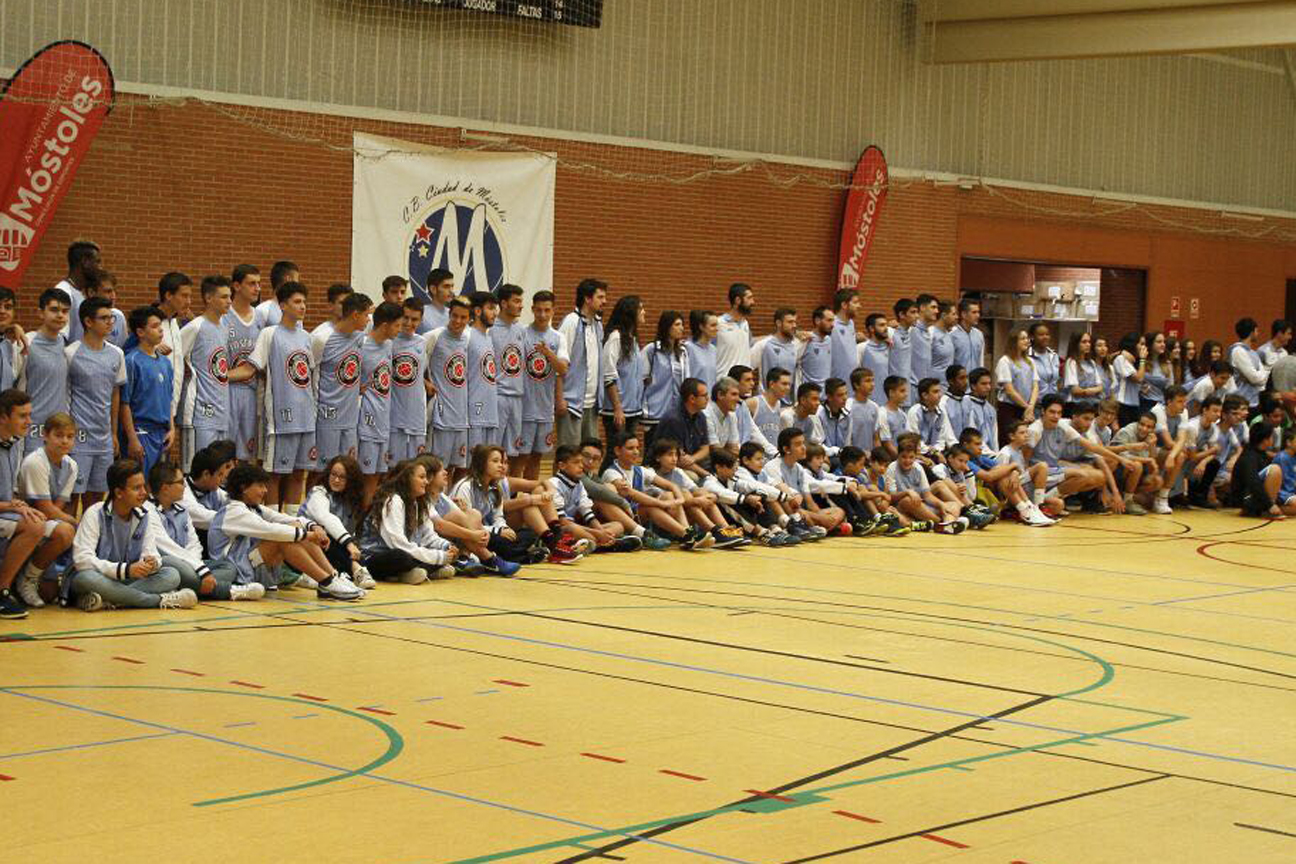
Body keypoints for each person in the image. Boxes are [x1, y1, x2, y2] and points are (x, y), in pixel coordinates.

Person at [208, 462, 364, 599]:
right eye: (260, 486)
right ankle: (326, 582)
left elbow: (285, 519)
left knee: (296, 527)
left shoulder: (254, 507)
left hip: (249, 568)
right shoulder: (233, 511)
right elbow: (270, 530)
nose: (265, 490)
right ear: (243, 488)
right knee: (282, 539)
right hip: (234, 573)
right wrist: (307, 535)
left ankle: (332, 576)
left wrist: (313, 527)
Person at [68, 458, 196, 612]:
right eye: (136, 488)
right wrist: (126, 570)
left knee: (171, 574)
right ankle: (158, 600)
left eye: (143, 486)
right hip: (101, 578)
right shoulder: (95, 513)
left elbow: (152, 554)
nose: (144, 493)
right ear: (118, 493)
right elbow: (82, 560)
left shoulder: (143, 516)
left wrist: (151, 563)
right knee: (85, 578)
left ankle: (112, 599)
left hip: (127, 581)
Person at [237, 281, 318, 509]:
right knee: (273, 474)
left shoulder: (306, 337)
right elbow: (250, 368)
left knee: (298, 473)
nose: (303, 306)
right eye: (297, 302)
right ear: (283, 305)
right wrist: (221, 376)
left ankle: (292, 521)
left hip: (306, 417)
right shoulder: (269, 334)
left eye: (304, 302)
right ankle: (274, 521)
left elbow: (308, 375)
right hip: (281, 420)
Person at [0, 392, 75, 615]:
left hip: (8, 514)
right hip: (6, 514)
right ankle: (2, 591)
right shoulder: (34, 460)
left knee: (63, 533)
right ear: (3, 417)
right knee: (35, 525)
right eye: (22, 416)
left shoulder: (13, 445)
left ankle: (26, 580)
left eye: (30, 415)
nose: (29, 421)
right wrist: (10, 506)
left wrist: (16, 504)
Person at [147, 461, 264, 602]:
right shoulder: (148, 511)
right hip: (164, 565)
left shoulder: (182, 511)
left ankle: (189, 587)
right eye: (180, 482)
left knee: (228, 568)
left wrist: (197, 567)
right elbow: (168, 548)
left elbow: (194, 543)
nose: (185, 486)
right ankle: (229, 591)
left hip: (190, 564)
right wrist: (200, 570)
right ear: (166, 488)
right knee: (171, 562)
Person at [67, 297, 127, 511]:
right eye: (104, 318)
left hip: (104, 440)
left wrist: (113, 433)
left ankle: (91, 533)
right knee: (72, 496)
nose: (110, 322)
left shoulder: (117, 354)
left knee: (97, 500)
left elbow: (115, 394)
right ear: (88, 321)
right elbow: (65, 395)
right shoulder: (70, 353)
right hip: (78, 438)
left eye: (111, 317)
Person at [601, 433, 709, 550]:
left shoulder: (640, 470)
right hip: (620, 517)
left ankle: (688, 535)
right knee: (652, 506)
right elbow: (631, 493)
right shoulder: (611, 473)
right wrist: (662, 503)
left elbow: (671, 485)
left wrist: (679, 499)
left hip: (635, 515)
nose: (636, 452)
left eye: (637, 448)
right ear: (617, 451)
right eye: (630, 448)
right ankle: (688, 535)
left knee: (669, 495)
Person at [358, 458, 457, 583]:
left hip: (404, 552)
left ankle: (407, 573)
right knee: (400, 557)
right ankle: (422, 570)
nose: (426, 482)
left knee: (440, 552)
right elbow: (398, 543)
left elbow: (428, 536)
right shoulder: (392, 501)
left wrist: (447, 546)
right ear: (407, 479)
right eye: (421, 477)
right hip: (376, 556)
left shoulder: (418, 502)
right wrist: (438, 557)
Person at [312, 292, 371, 477]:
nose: (368, 319)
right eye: (366, 315)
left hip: (350, 417)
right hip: (327, 415)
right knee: (321, 472)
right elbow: (310, 373)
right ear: (355, 315)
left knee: (348, 471)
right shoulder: (322, 338)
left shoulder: (360, 338)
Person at [178, 276, 233, 471]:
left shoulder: (224, 327)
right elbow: (173, 359)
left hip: (221, 412)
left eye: (230, 296)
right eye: (224, 297)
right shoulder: (195, 327)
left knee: (218, 472)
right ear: (208, 298)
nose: (229, 301)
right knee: (196, 471)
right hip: (199, 412)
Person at [300, 455, 377, 588]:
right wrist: (349, 543)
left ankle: (352, 570)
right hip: (310, 547)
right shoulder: (318, 492)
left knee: (393, 558)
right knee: (327, 537)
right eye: (333, 474)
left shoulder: (352, 500)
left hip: (338, 550)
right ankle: (356, 569)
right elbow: (326, 518)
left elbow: (351, 531)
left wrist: (352, 545)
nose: (336, 480)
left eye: (342, 477)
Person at [548, 445, 640, 552]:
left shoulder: (578, 484)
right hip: (561, 529)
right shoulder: (554, 484)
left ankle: (599, 543)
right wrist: (597, 533)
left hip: (580, 528)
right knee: (573, 529)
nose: (581, 466)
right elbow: (563, 522)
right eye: (576, 462)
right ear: (562, 466)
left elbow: (588, 514)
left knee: (618, 526)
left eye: (581, 462)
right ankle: (609, 545)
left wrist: (601, 532)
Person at [518, 291, 569, 481]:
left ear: (553, 311)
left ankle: (530, 492)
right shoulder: (522, 333)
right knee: (519, 457)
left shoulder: (558, 337)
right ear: (532, 309)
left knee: (537, 457)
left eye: (547, 310)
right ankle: (513, 495)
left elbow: (562, 369)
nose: (542, 314)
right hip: (523, 407)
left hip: (545, 408)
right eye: (538, 310)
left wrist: (548, 353)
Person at [761, 428, 841, 537]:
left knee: (839, 511)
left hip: (801, 511)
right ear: (786, 449)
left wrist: (820, 516)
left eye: (803, 443)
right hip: (785, 513)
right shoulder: (772, 467)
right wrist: (821, 519)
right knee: (798, 509)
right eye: (798, 444)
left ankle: (817, 526)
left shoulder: (799, 468)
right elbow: (783, 501)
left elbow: (810, 502)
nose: (804, 448)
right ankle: (811, 526)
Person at [358, 301, 401, 503]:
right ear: (385, 325)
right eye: (397, 325)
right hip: (366, 419)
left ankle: (370, 518)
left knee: (376, 476)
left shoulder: (389, 345)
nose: (400, 329)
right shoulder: (362, 346)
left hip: (384, 420)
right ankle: (356, 518)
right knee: (362, 475)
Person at [424, 296, 473, 472]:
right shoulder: (433, 336)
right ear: (449, 314)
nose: (458, 321)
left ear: (469, 319)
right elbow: (412, 365)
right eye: (454, 316)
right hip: (441, 415)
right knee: (437, 468)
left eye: (463, 317)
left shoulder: (469, 339)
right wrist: (425, 382)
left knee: (455, 467)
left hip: (462, 417)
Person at [557, 278, 606, 448]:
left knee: (590, 453)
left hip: (592, 403)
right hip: (571, 403)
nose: (604, 301)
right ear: (587, 299)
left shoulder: (598, 324)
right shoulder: (571, 322)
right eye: (600, 297)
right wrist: (560, 398)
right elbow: (559, 364)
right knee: (569, 453)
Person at [21, 288, 72, 451]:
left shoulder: (67, 346)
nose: (60, 315)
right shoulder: (26, 343)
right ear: (40, 313)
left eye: (65, 311)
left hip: (59, 431)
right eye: (54, 310)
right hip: (32, 430)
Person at [883, 433, 964, 532]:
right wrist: (907, 492)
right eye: (904, 457)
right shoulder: (892, 468)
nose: (907, 460)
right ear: (898, 456)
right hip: (903, 507)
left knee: (953, 505)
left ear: (915, 457)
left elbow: (927, 496)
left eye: (911, 457)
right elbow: (891, 497)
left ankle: (948, 523)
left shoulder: (918, 468)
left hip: (921, 506)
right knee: (908, 499)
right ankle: (939, 523)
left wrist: (941, 504)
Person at [224, 263, 264, 462]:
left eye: (259, 283)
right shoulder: (224, 316)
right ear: (237, 286)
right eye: (252, 283)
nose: (257, 288)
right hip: (226, 390)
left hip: (251, 392)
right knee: (224, 452)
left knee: (246, 455)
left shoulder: (261, 318)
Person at [600, 295, 646, 451]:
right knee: (616, 453)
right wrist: (617, 408)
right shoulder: (616, 338)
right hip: (618, 410)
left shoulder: (633, 339)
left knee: (627, 455)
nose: (644, 312)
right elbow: (608, 374)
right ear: (630, 312)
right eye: (640, 309)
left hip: (633, 409)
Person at [390, 298, 431, 464]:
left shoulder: (423, 342)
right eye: (405, 318)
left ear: (420, 320)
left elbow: (419, 373)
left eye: (414, 319)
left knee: (415, 467)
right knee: (392, 468)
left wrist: (426, 383)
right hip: (394, 417)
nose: (408, 323)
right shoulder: (389, 341)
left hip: (416, 417)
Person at [641, 310, 688, 450]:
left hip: (676, 411)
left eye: (682, 325)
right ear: (667, 327)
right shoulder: (652, 350)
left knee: (673, 450)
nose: (681, 328)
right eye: (677, 325)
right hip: (655, 411)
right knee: (653, 450)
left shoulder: (683, 352)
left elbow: (686, 380)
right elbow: (641, 379)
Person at [491, 284, 528, 460]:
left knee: (512, 453)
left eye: (521, 301)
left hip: (517, 397)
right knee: (493, 451)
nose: (521, 305)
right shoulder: (490, 329)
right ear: (504, 304)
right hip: (497, 396)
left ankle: (507, 480)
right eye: (516, 301)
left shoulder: (521, 330)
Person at [465, 291, 501, 459]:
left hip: (490, 411)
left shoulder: (488, 338)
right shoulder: (467, 336)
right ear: (478, 311)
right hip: (474, 412)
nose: (495, 313)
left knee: (487, 464)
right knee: (469, 465)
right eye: (491, 308)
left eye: (495, 308)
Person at [706, 375, 775, 459]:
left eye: (738, 395)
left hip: (723, 461)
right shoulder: (707, 415)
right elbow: (715, 450)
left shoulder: (732, 415)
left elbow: (734, 448)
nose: (738, 399)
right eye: (734, 394)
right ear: (720, 395)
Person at [155, 272, 194, 416]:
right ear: (168, 295)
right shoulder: (150, 322)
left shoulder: (175, 324)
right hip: (152, 409)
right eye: (184, 296)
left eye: (190, 296)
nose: (189, 302)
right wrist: (150, 349)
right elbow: (129, 352)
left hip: (171, 408)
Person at [655, 378, 711, 478]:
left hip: (691, 463)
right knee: (693, 477)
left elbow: (705, 448)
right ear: (692, 399)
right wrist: (706, 474)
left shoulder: (701, 416)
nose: (708, 398)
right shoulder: (673, 420)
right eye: (704, 395)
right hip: (667, 467)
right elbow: (678, 459)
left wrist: (693, 458)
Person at [54, 239, 101, 344]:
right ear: (85, 262)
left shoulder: (82, 292)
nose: (100, 268)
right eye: (97, 262)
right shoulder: (63, 291)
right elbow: (59, 338)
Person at [995, 327, 1038, 435]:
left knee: (1025, 439)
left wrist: (1031, 406)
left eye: (1027, 338)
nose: (1027, 341)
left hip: (1027, 408)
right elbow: (1009, 390)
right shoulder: (1005, 361)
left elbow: (1035, 385)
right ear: (1014, 341)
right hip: (1009, 408)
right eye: (1022, 338)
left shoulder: (1030, 361)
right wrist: (1027, 407)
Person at [907, 377, 957, 459]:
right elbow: (914, 441)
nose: (940, 395)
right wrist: (933, 452)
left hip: (937, 453)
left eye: (939, 391)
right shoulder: (915, 412)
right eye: (935, 392)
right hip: (918, 455)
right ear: (925, 395)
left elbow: (943, 439)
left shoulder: (941, 412)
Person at [716, 283, 755, 383]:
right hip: (724, 382)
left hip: (743, 384)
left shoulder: (745, 324)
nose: (753, 302)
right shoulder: (719, 323)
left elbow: (751, 343)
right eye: (749, 298)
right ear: (738, 300)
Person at [750, 367, 790, 455]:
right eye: (784, 384)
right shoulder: (753, 403)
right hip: (755, 457)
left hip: (773, 456)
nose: (788, 388)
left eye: (789, 384)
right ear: (772, 384)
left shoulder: (778, 404)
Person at [1229, 317, 1268, 408]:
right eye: (1257, 331)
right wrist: (1263, 375)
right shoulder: (1237, 351)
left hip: (1254, 401)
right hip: (1240, 402)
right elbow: (1255, 378)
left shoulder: (1253, 352)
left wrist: (1261, 376)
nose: (1258, 334)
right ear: (1252, 333)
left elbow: (1261, 379)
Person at [1111, 332, 1148, 427]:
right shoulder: (1120, 359)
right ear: (1133, 344)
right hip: (1122, 403)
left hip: (1134, 404)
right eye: (1141, 344)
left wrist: (1142, 388)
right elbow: (1138, 378)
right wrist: (1143, 360)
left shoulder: (1133, 362)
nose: (1144, 348)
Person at [85, 270, 129, 347]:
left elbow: (123, 347)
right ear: (91, 292)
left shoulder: (119, 316)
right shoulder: (78, 315)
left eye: (115, 291)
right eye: (108, 291)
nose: (113, 296)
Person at [1260, 427, 1296, 517]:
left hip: (1291, 492)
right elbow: (1285, 484)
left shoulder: (1294, 457)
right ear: (1288, 442)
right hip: (1282, 493)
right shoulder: (1282, 457)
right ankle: (1267, 509)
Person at [889, 298, 918, 404]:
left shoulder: (912, 333)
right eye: (913, 312)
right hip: (894, 389)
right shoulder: (890, 333)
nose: (917, 316)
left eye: (917, 312)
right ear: (901, 315)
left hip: (909, 388)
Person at [254, 260, 299, 328]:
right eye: (296, 280)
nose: (298, 285)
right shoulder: (263, 310)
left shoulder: (297, 311)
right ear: (288, 279)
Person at [1063, 331, 1103, 408]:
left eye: (1089, 342)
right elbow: (1075, 390)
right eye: (1084, 342)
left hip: (1093, 404)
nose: (1088, 345)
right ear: (1076, 344)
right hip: (1077, 405)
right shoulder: (1071, 362)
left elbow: (1100, 387)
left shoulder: (1091, 362)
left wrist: (1085, 391)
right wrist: (1092, 391)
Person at [962, 367, 999, 451]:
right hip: (972, 451)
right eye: (984, 384)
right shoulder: (965, 403)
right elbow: (971, 433)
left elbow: (994, 436)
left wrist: (996, 454)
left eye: (989, 383)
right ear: (973, 386)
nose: (988, 387)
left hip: (990, 453)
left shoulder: (990, 408)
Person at [798, 305, 834, 390]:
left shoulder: (829, 340)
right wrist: (796, 333)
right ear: (817, 321)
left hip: (825, 393)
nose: (832, 324)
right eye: (829, 320)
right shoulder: (805, 340)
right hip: (808, 393)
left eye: (833, 321)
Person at [858, 313, 891, 404]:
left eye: (886, 325)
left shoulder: (891, 348)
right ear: (871, 328)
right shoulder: (861, 348)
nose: (886, 328)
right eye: (881, 325)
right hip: (869, 402)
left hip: (889, 402)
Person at [829, 289, 861, 384]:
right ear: (844, 305)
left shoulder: (851, 323)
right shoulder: (831, 324)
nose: (859, 306)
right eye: (855, 302)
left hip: (851, 381)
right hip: (836, 382)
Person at [684, 309, 720, 393]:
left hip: (709, 398)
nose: (717, 329)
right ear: (701, 327)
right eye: (713, 325)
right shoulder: (688, 348)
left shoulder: (713, 349)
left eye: (717, 325)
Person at [876, 375, 910, 459]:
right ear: (891, 393)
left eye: (906, 391)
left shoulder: (903, 414)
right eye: (902, 391)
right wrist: (903, 460)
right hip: (891, 459)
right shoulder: (882, 413)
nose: (906, 394)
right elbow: (887, 445)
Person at [847, 368, 880, 453]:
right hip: (852, 455)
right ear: (856, 385)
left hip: (869, 455)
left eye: (873, 380)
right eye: (867, 381)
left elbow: (876, 437)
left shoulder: (874, 407)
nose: (872, 384)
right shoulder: (848, 405)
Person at [911, 294, 938, 387]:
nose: (937, 311)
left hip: (925, 387)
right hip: (912, 386)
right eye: (933, 307)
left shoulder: (929, 332)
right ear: (922, 307)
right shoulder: (910, 329)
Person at [951, 297, 985, 373]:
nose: (978, 315)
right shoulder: (952, 334)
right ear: (963, 314)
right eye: (974, 312)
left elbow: (981, 361)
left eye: (978, 312)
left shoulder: (979, 334)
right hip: (957, 378)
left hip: (974, 378)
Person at [419, 268, 455, 334]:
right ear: (433, 289)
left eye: (452, 286)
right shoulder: (421, 313)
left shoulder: (454, 315)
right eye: (446, 286)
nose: (451, 291)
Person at [929, 301, 956, 385]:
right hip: (934, 384)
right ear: (944, 315)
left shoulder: (949, 334)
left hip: (947, 384)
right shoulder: (931, 333)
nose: (956, 317)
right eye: (953, 314)